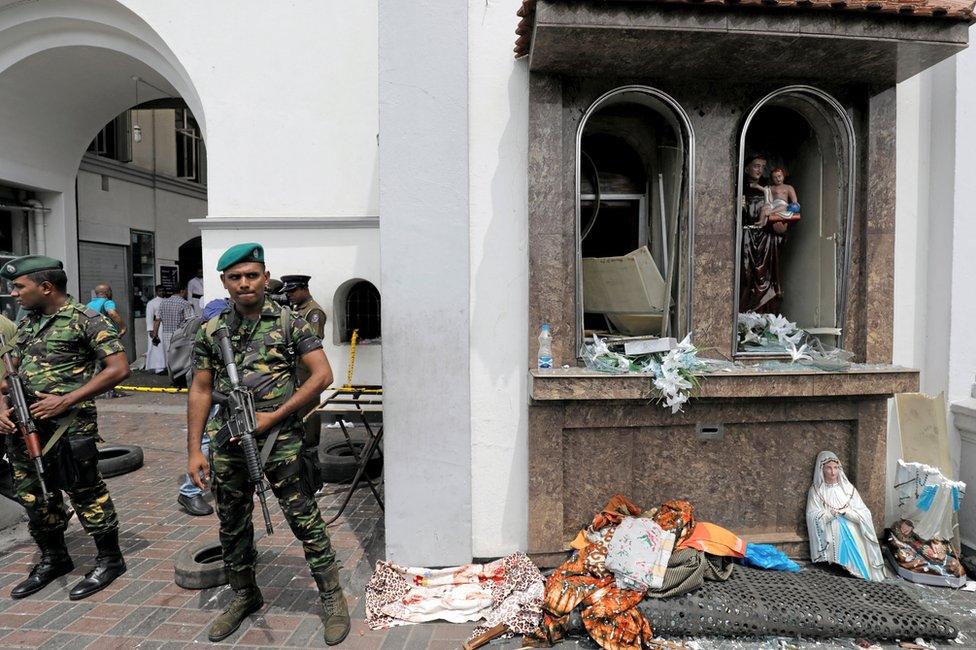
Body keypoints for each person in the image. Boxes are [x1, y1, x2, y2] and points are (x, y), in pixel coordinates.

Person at [187, 243, 349, 644]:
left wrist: (272, 417)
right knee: (233, 522)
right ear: (224, 282)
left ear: (265, 277)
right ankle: (244, 594)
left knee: (304, 519)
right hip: (228, 444)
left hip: (282, 443)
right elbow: (201, 389)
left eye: (252, 275)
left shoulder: (291, 322)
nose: (244, 284)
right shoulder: (211, 329)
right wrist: (193, 449)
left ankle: (331, 596)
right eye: (235, 277)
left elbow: (321, 376)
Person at [0, 255, 131, 600]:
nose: (13, 293)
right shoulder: (26, 323)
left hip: (69, 427)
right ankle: (54, 557)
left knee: (86, 492)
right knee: (34, 495)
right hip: (24, 427)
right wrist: (1, 407)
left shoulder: (86, 320)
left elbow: (118, 369)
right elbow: (7, 375)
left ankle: (110, 558)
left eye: (18, 286)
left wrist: (68, 399)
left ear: (45, 287)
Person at [806, 450, 886, 581]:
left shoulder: (848, 489)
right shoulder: (816, 491)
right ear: (821, 469)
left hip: (852, 533)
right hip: (832, 535)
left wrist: (848, 513)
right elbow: (812, 515)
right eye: (828, 468)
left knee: (857, 561)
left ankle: (861, 577)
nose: (833, 472)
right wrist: (828, 515)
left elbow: (864, 512)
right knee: (837, 566)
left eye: (836, 468)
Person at [281, 274, 327, 452]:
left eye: (293, 291)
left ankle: (309, 448)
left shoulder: (313, 312)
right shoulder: (296, 309)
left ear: (303, 288)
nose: (290, 295)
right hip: (295, 369)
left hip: (307, 371)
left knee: (308, 411)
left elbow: (312, 342)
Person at [739, 154, 788, 314]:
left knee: (766, 277)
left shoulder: (768, 187)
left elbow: (777, 209)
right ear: (747, 168)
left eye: (762, 166)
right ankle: (744, 313)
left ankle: (764, 315)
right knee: (746, 276)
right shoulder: (739, 186)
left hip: (766, 238)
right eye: (756, 166)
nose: (760, 169)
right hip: (747, 237)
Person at [151, 286, 194, 369]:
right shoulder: (185, 303)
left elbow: (157, 320)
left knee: (169, 356)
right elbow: (191, 321)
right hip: (181, 334)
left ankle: (171, 377)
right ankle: (181, 377)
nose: (186, 293)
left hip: (166, 335)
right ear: (182, 291)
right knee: (181, 356)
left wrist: (155, 336)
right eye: (185, 291)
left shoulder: (163, 303)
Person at [144, 284, 167, 374]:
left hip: (166, 327)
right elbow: (149, 317)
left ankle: (165, 366)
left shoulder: (167, 301)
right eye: (160, 291)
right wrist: (151, 330)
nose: (162, 292)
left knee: (165, 347)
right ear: (156, 292)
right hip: (156, 327)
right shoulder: (151, 303)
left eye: (163, 290)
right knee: (157, 347)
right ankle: (158, 368)